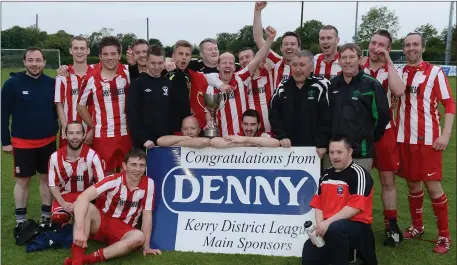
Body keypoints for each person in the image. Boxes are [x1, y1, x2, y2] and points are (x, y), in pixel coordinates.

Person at [396, 32, 455, 254]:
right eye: (408, 45)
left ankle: (444, 235)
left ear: (423, 47)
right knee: (412, 184)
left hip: (429, 140)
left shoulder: (435, 72)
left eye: (416, 44)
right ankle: (418, 227)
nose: (411, 48)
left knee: (433, 187)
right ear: (403, 49)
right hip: (403, 139)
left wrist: (446, 135)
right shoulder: (400, 72)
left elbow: (449, 104)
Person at [64, 149, 161, 265]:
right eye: (133, 165)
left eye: (142, 165)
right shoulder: (114, 180)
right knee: (87, 207)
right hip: (103, 223)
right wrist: (79, 230)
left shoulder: (149, 184)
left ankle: (87, 259)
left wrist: (146, 247)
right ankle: (77, 260)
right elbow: (83, 197)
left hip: (124, 231)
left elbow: (147, 214)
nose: (137, 169)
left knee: (139, 237)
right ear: (125, 166)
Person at [1, 47, 59, 234]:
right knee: (23, 181)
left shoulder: (52, 83)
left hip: (48, 141)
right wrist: (5, 141)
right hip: (22, 142)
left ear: (44, 62)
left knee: (46, 179)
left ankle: (46, 218)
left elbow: (56, 110)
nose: (35, 64)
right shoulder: (12, 84)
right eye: (31, 60)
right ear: (24, 62)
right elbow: (3, 114)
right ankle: (20, 220)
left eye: (38, 60)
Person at [302, 135, 377, 265]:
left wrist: (327, 223)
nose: (335, 156)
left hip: (357, 227)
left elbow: (355, 208)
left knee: (335, 230)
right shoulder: (326, 174)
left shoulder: (359, 174)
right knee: (309, 247)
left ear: (350, 152)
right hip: (331, 225)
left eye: (339, 152)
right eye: (331, 152)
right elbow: (318, 204)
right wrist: (320, 226)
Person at [362, 29, 406, 247]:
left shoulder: (391, 70)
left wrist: (388, 61)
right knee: (362, 180)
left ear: (388, 49)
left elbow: (398, 91)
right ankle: (361, 224)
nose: (375, 47)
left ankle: (392, 226)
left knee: (388, 182)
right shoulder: (359, 66)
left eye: (381, 45)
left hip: (385, 131)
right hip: (360, 132)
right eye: (373, 43)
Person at [324, 43, 390, 172]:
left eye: (352, 57)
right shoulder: (332, 85)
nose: (347, 61)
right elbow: (325, 117)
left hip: (361, 153)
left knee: (359, 191)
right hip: (334, 152)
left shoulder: (371, 84)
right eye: (344, 57)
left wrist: (367, 137)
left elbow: (382, 117)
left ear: (360, 60)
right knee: (331, 190)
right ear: (339, 61)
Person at [77, 36, 131, 175]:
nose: (109, 58)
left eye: (113, 54)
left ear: (120, 55)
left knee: (127, 174)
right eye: (105, 54)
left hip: (127, 134)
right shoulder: (91, 78)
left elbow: (150, 64)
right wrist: (94, 126)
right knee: (105, 177)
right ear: (100, 56)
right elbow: (80, 106)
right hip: (103, 136)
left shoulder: (128, 73)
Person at [213, 26, 276, 137]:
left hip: (244, 137)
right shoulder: (211, 83)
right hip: (223, 140)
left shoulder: (241, 78)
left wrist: (269, 40)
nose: (228, 65)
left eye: (231, 63)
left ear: (234, 67)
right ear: (217, 66)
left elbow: (257, 58)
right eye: (224, 63)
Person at [269, 49, 331, 150]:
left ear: (311, 68)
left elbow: (327, 118)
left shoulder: (322, 86)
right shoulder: (282, 87)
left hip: (316, 150)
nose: (297, 69)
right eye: (294, 65)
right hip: (288, 149)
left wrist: (322, 143)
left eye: (302, 65)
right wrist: (282, 136)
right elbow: (274, 115)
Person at [48, 121, 105, 225]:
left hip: (87, 196)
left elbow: (101, 183)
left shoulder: (93, 156)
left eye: (78, 133)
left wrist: (84, 201)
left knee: (95, 222)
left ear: (84, 135)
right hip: (65, 197)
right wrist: (63, 203)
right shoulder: (55, 157)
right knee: (58, 218)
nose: (75, 137)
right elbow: (52, 185)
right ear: (65, 135)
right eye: (71, 133)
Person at [127, 44, 173, 150]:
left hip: (166, 141)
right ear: (147, 62)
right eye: (153, 63)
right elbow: (132, 114)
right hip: (145, 143)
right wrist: (142, 139)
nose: (157, 67)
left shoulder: (168, 83)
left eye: (160, 63)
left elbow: (172, 113)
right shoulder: (137, 83)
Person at [55, 36, 94, 148]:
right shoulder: (62, 76)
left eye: (82, 48)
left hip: (91, 133)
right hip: (69, 133)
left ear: (88, 50)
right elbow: (59, 105)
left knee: (91, 164)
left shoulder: (96, 74)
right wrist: (67, 129)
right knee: (67, 165)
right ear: (70, 50)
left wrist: (93, 129)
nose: (79, 51)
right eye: (76, 48)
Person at [253, 1, 300, 89]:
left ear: (299, 47)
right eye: (286, 44)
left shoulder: (306, 65)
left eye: (293, 44)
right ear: (281, 48)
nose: (289, 47)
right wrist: (257, 11)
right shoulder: (276, 62)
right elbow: (258, 38)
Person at [166, 40, 209, 133]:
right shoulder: (163, 72)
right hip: (167, 127)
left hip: (188, 128)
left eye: (187, 54)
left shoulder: (193, 73)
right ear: (173, 56)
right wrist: (165, 60)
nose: (184, 57)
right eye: (180, 54)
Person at [238, 47, 275, 134]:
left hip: (272, 130)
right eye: (241, 59)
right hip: (250, 131)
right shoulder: (238, 78)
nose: (244, 60)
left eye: (247, 57)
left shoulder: (269, 72)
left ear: (256, 58)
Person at [210, 109, 279, 148]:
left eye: (253, 124)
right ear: (241, 125)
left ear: (259, 125)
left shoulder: (264, 135)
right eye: (246, 124)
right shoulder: (237, 137)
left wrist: (245, 139)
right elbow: (213, 142)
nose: (249, 128)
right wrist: (245, 144)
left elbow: (276, 143)